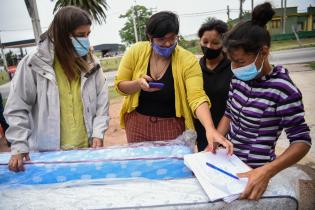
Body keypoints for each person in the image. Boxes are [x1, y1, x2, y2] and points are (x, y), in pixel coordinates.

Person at [217, 2, 311, 200]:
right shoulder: (239, 79)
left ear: (264, 52)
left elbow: (301, 141)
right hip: (229, 165)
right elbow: (228, 114)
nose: (234, 67)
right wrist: (217, 140)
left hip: (256, 173)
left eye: (240, 62)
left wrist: (267, 172)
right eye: (231, 62)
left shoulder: (283, 89)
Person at [4, 6, 110, 172]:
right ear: (61, 35)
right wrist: (18, 145)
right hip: (48, 156)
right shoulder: (34, 64)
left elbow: (101, 105)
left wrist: (97, 133)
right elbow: (17, 107)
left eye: (88, 34)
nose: (86, 40)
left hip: (86, 151)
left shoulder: (92, 65)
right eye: (80, 35)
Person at [115, 11, 233, 153]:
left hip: (172, 129)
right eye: (161, 40)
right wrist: (138, 84)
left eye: (172, 38)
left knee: (171, 171)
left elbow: (197, 96)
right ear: (150, 38)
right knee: (141, 167)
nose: (168, 43)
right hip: (137, 125)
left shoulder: (187, 60)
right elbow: (120, 85)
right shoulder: (136, 51)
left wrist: (210, 128)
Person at [194, 19, 233, 151]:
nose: (209, 47)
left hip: (230, 132)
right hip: (203, 131)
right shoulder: (194, 68)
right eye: (205, 42)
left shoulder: (233, 67)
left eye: (215, 43)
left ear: (224, 43)